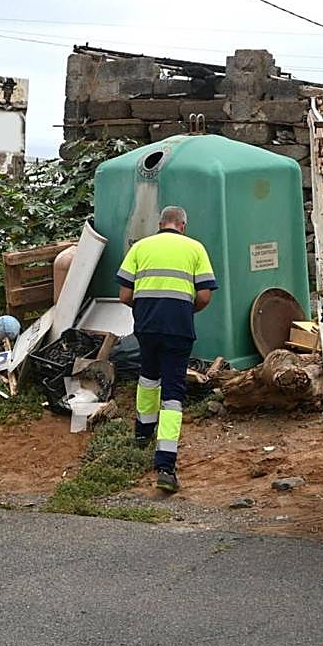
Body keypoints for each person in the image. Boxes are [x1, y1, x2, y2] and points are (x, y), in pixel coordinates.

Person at [117, 206, 217, 494]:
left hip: (147, 327)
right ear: (183, 226)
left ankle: (142, 434)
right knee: (172, 393)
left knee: (148, 377)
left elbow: (124, 294)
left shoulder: (141, 247)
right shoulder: (195, 248)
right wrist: (186, 309)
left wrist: (146, 308)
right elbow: (204, 295)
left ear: (160, 224)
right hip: (179, 328)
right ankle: (165, 466)